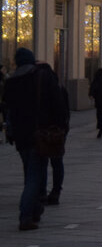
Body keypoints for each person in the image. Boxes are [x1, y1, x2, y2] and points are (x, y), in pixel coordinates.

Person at [4, 48, 70, 230]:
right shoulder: (41, 77)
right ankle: (26, 214)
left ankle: (35, 209)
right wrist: (62, 127)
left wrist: (10, 132)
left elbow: (8, 109)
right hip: (40, 133)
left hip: (20, 136)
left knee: (30, 172)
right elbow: (58, 104)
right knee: (35, 175)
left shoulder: (11, 82)